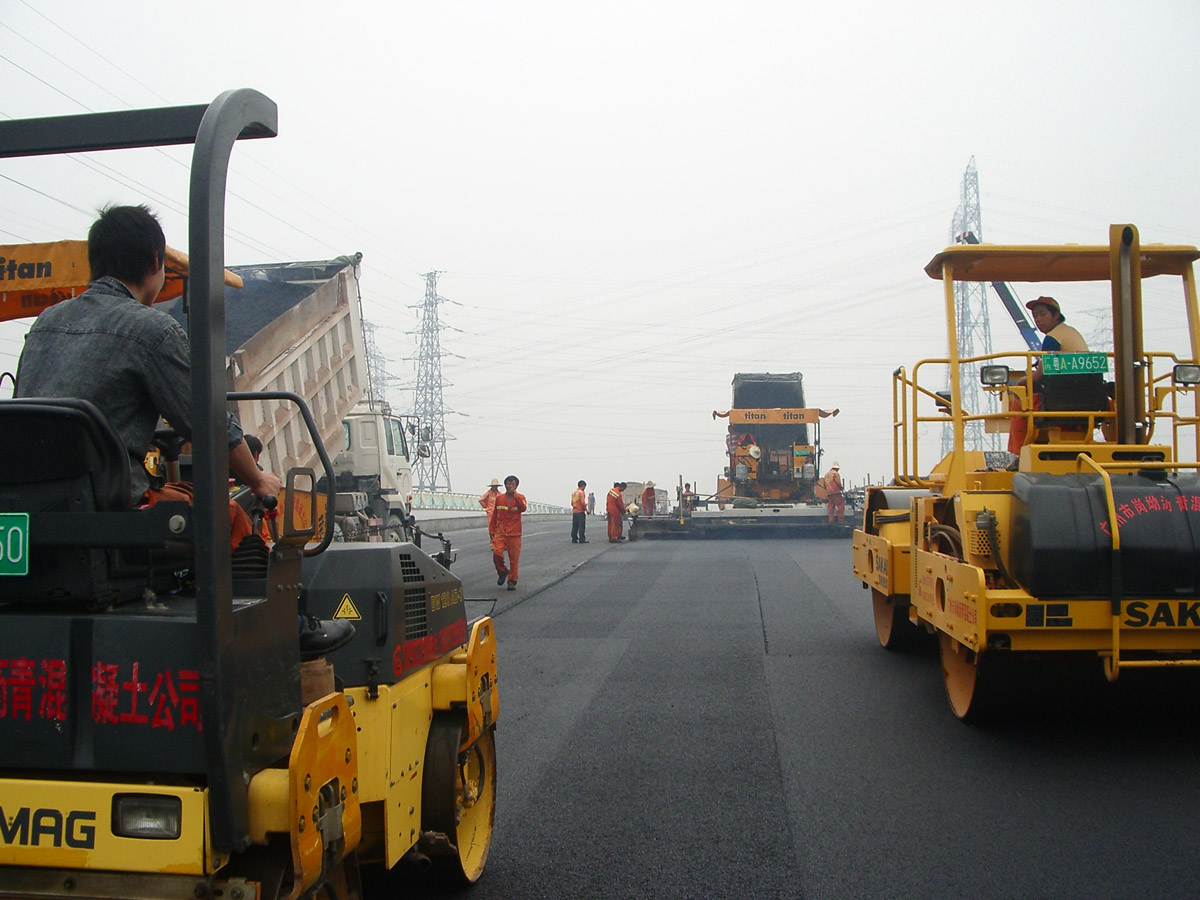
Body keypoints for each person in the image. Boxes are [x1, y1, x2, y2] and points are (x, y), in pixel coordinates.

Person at [14, 204, 350, 657]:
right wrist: (256, 479)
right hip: (110, 516)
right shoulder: (151, 330)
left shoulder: (45, 325)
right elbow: (209, 423)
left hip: (32, 515)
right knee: (229, 514)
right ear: (155, 265)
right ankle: (282, 629)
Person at [1008, 296, 1090, 456]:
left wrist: (1019, 383)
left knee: (1018, 405)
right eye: (1035, 316)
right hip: (1088, 398)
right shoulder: (1071, 333)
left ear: (1056, 315)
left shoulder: (1053, 339)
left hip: (1061, 399)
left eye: (1042, 314)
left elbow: (1037, 378)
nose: (1038, 319)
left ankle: (1017, 455)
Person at [490, 475, 526, 590]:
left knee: (514, 559)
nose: (510, 486)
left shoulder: (520, 497)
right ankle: (502, 571)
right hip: (500, 531)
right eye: (508, 483)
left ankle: (512, 581)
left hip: (514, 533)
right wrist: (491, 529)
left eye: (512, 484)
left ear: (516, 486)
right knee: (497, 553)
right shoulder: (500, 499)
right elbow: (495, 514)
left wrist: (515, 495)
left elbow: (522, 508)